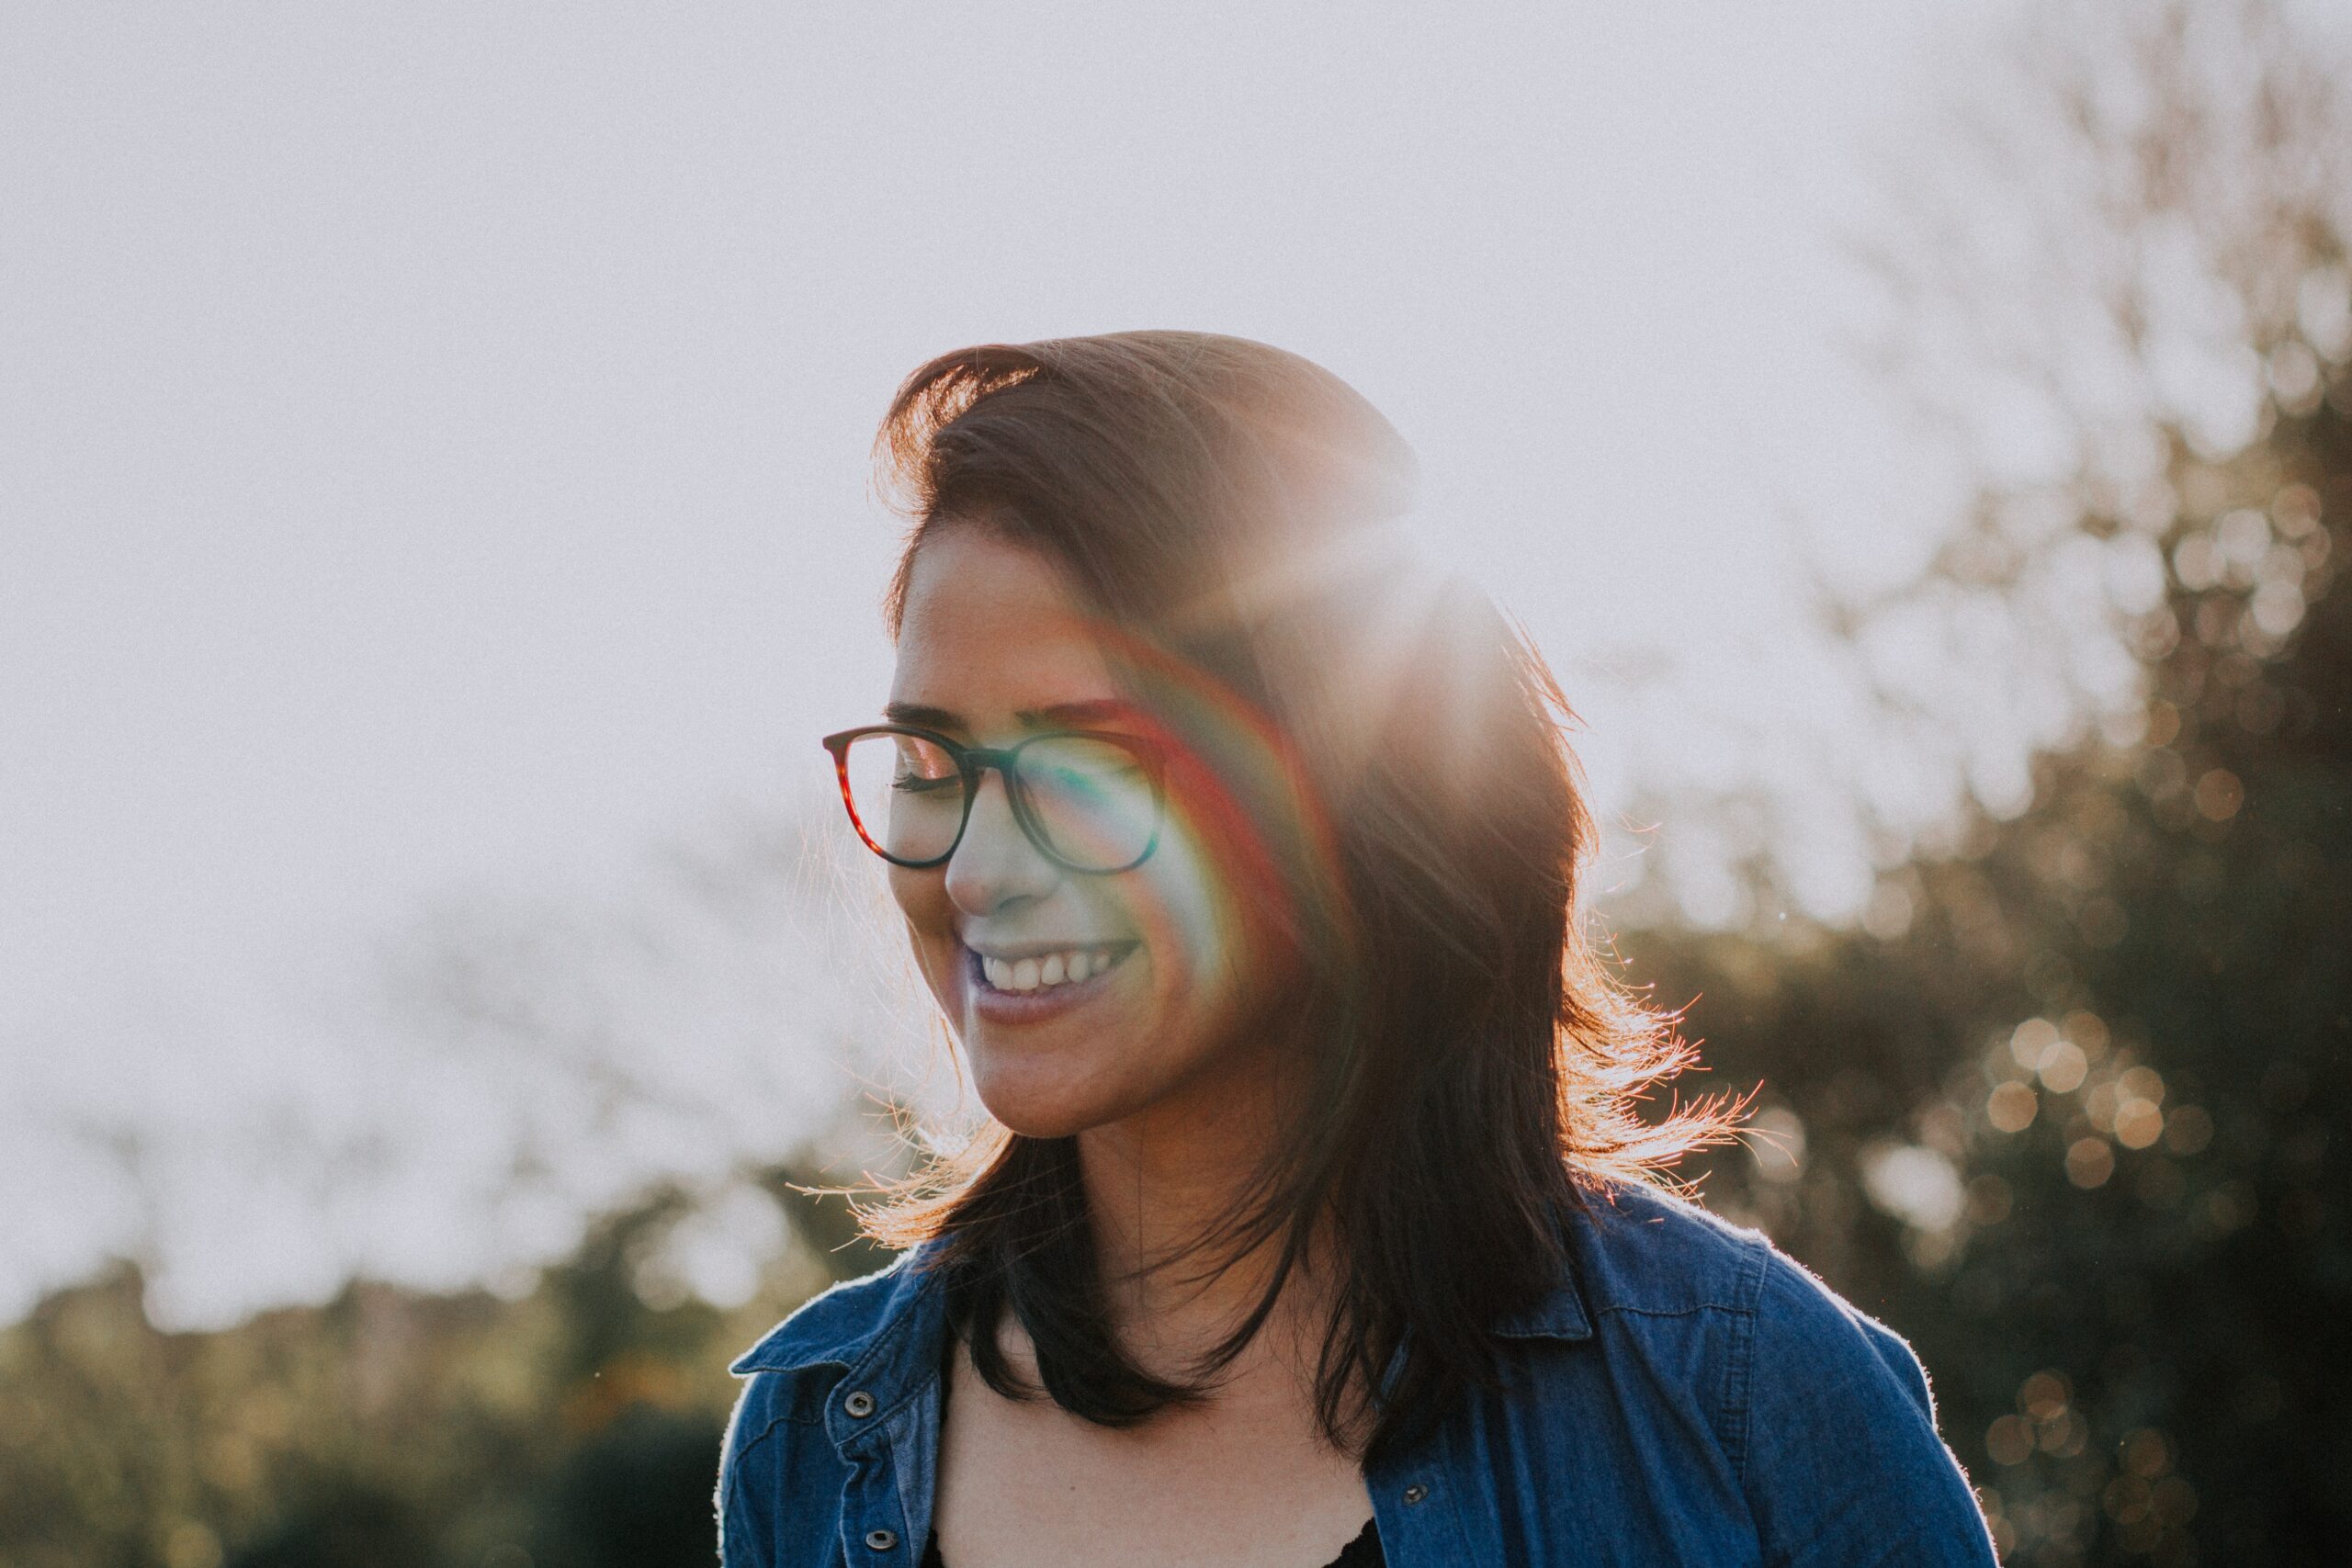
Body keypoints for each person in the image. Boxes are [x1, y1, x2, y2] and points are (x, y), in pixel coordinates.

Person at [716, 331, 1999, 1567]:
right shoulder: (815, 1448)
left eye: (1089, 763)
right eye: (931, 761)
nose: (978, 867)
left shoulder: (1745, 1398)